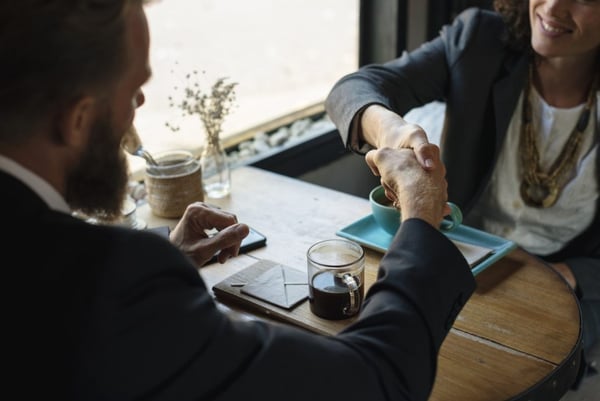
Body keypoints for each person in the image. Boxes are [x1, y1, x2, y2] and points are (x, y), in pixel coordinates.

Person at [0, 1, 476, 400]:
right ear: (78, 118)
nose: (134, 114)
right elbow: (372, 382)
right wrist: (420, 213)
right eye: (135, 92)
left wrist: (166, 258)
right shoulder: (108, 285)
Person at [325, 0, 600, 381]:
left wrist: (570, 275)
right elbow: (352, 90)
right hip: (461, 261)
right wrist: (392, 132)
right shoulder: (481, 40)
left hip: (563, 284)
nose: (553, 7)